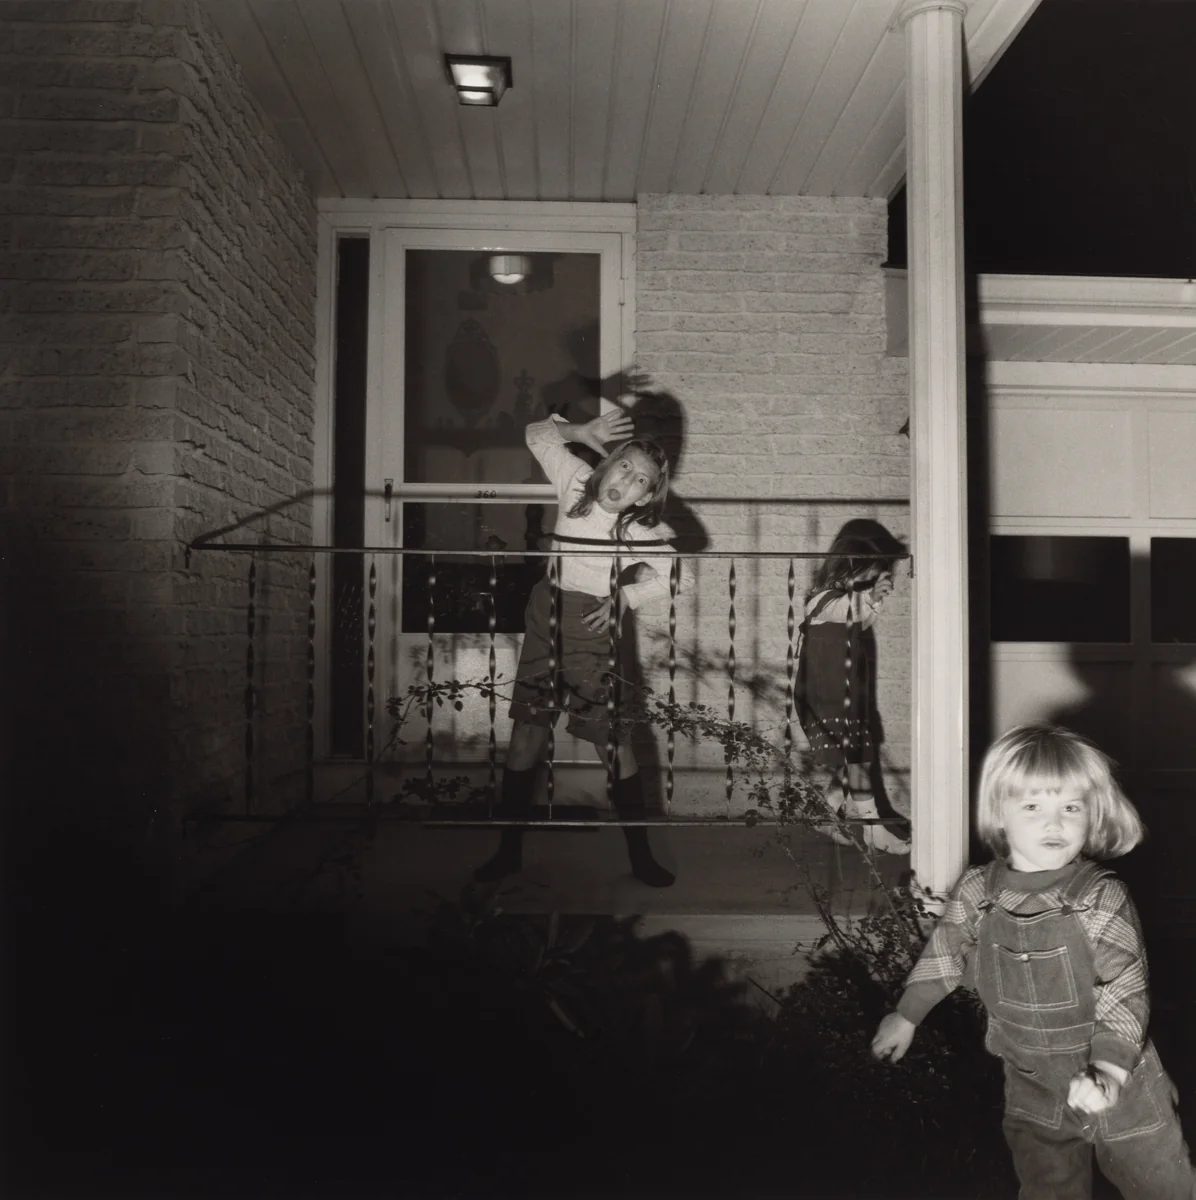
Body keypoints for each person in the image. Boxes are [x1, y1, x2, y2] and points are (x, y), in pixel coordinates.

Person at [872, 723, 1196, 1200]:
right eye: (1032, 806)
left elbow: (1124, 989)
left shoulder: (1101, 897)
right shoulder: (979, 892)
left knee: (1161, 1186)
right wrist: (907, 1014)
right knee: (1048, 1188)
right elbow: (944, 953)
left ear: (1092, 814)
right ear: (999, 813)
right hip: (1032, 1087)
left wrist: (1108, 1070)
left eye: (1070, 807)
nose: (1055, 824)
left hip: (1121, 1085)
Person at [474, 408, 694, 888]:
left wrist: (625, 598)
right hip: (544, 616)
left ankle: (640, 855)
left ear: (648, 494)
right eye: (625, 466)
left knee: (611, 741)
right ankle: (507, 851)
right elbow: (537, 435)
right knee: (527, 733)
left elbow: (679, 575)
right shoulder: (574, 483)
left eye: (642, 481)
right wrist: (579, 432)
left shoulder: (637, 531)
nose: (627, 481)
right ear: (608, 461)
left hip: (592, 629)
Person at [796, 525, 910, 853]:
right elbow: (846, 610)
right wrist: (869, 597)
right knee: (858, 761)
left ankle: (826, 808)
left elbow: (859, 618)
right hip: (827, 699)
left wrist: (872, 601)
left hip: (845, 697)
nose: (869, 585)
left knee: (858, 761)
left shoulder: (843, 601)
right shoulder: (821, 601)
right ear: (845, 571)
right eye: (865, 578)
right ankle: (874, 831)